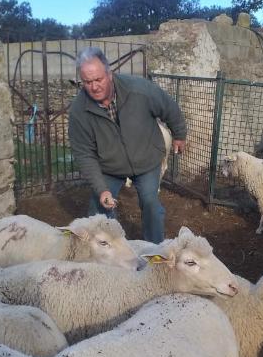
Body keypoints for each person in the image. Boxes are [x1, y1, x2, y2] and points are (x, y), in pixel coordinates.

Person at [68, 47, 186, 243]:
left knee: (150, 203)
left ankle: (154, 249)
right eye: (87, 82)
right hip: (110, 166)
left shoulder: (138, 89)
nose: (94, 87)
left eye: (98, 79)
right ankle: (108, 254)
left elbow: (168, 107)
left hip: (146, 157)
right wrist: (102, 189)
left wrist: (179, 134)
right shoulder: (79, 111)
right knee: (98, 208)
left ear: (109, 74)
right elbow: (84, 154)